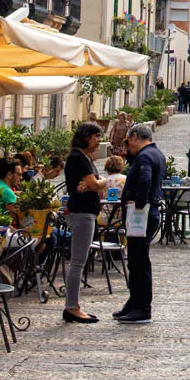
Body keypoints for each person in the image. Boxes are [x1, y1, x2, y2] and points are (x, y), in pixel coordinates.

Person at [117, 123, 165, 324]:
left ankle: (142, 307)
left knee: (139, 261)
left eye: (129, 141)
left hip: (142, 215)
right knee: (136, 260)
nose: (129, 146)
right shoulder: (157, 154)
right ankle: (134, 302)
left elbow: (145, 181)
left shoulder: (145, 156)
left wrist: (138, 204)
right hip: (150, 212)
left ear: (135, 136)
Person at [63, 122, 106, 323]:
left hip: (85, 211)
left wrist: (93, 185)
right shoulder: (78, 158)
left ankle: (73, 305)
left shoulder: (84, 157)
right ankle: (72, 307)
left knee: (79, 259)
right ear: (86, 136)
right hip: (82, 212)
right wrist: (101, 181)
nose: (99, 140)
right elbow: (97, 185)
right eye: (96, 136)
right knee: (78, 260)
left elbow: (93, 185)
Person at [0, 158, 23, 225]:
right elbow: (17, 219)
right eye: (18, 174)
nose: (21, 178)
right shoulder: (7, 191)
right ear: (9, 175)